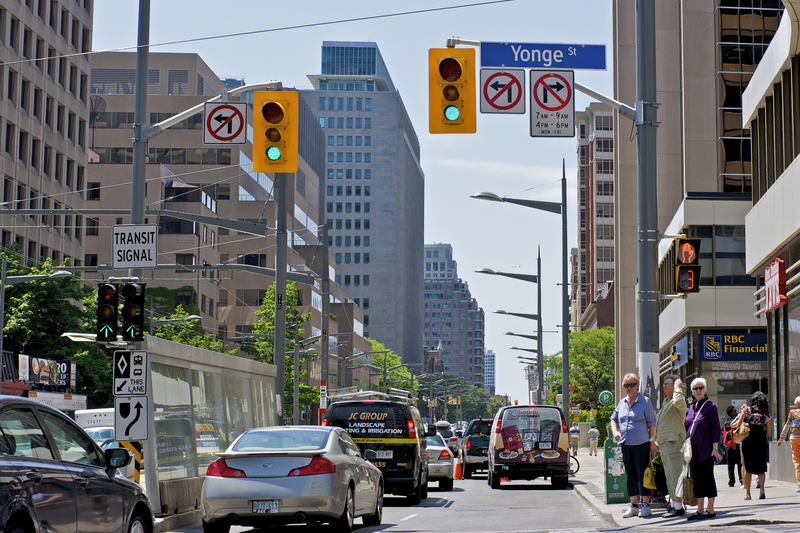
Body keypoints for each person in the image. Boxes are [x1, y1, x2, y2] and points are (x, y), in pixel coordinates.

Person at [610, 373, 657, 518]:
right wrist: (615, 431)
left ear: (637, 386)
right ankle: (633, 505)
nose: (629, 388)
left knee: (642, 473)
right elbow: (613, 418)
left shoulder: (645, 401)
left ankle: (646, 505)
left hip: (641, 443)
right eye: (626, 385)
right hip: (626, 443)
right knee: (630, 474)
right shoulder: (622, 402)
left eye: (632, 385)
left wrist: (652, 441)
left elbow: (652, 423)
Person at [685, 377, 722, 520]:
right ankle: (699, 509)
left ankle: (710, 509)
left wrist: (715, 448)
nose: (698, 390)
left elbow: (715, 429)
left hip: (706, 450)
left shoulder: (710, 406)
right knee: (698, 480)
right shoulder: (691, 406)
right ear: (692, 391)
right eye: (695, 388)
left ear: (705, 389)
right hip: (693, 451)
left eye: (701, 388)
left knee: (708, 479)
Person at [655, 375, 687, 518]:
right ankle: (675, 505)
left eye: (668, 384)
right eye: (664, 384)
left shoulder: (677, 400)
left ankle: (678, 506)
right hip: (665, 443)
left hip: (673, 442)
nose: (664, 386)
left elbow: (680, 403)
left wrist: (678, 389)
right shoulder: (666, 401)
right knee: (670, 476)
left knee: (674, 475)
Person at [741, 391, 773, 500]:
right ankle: (762, 490)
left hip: (748, 441)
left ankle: (748, 494)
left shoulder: (747, 411)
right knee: (761, 467)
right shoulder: (766, 414)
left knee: (748, 468)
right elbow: (769, 432)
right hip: (760, 441)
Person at [777, 396, 800, 491]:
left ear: (796, 404)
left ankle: (799, 484)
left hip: (794, 438)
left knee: (797, 461)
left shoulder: (792, 412)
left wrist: (781, 438)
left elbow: (787, 425)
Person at [723, 405, 743, 487]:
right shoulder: (736, 422)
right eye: (734, 411)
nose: (736, 412)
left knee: (730, 465)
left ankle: (731, 481)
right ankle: (741, 479)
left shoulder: (726, 422)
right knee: (740, 464)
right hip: (737, 445)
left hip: (729, 446)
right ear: (731, 413)